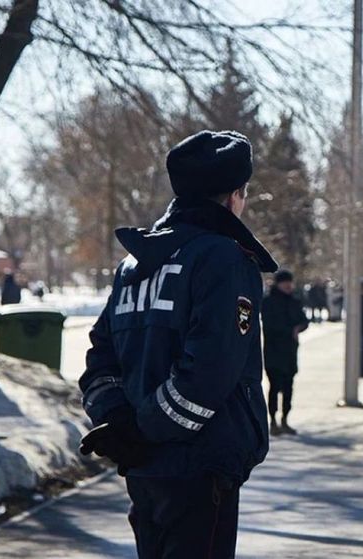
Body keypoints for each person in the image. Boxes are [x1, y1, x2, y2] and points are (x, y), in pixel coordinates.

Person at [78, 130, 277, 559]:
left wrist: (122, 423)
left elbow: (99, 358)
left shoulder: (135, 264)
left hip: (146, 469)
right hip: (200, 464)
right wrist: (146, 430)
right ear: (234, 196)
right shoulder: (223, 257)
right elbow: (210, 370)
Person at [261, 269, 309, 436]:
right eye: (285, 282)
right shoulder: (268, 302)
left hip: (290, 351)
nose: (288, 285)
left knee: (289, 387)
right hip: (273, 351)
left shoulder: (294, 301)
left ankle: (285, 419)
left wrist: (299, 328)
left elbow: (304, 320)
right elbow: (269, 325)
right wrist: (290, 330)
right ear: (278, 284)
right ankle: (273, 420)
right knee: (274, 387)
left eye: (290, 282)